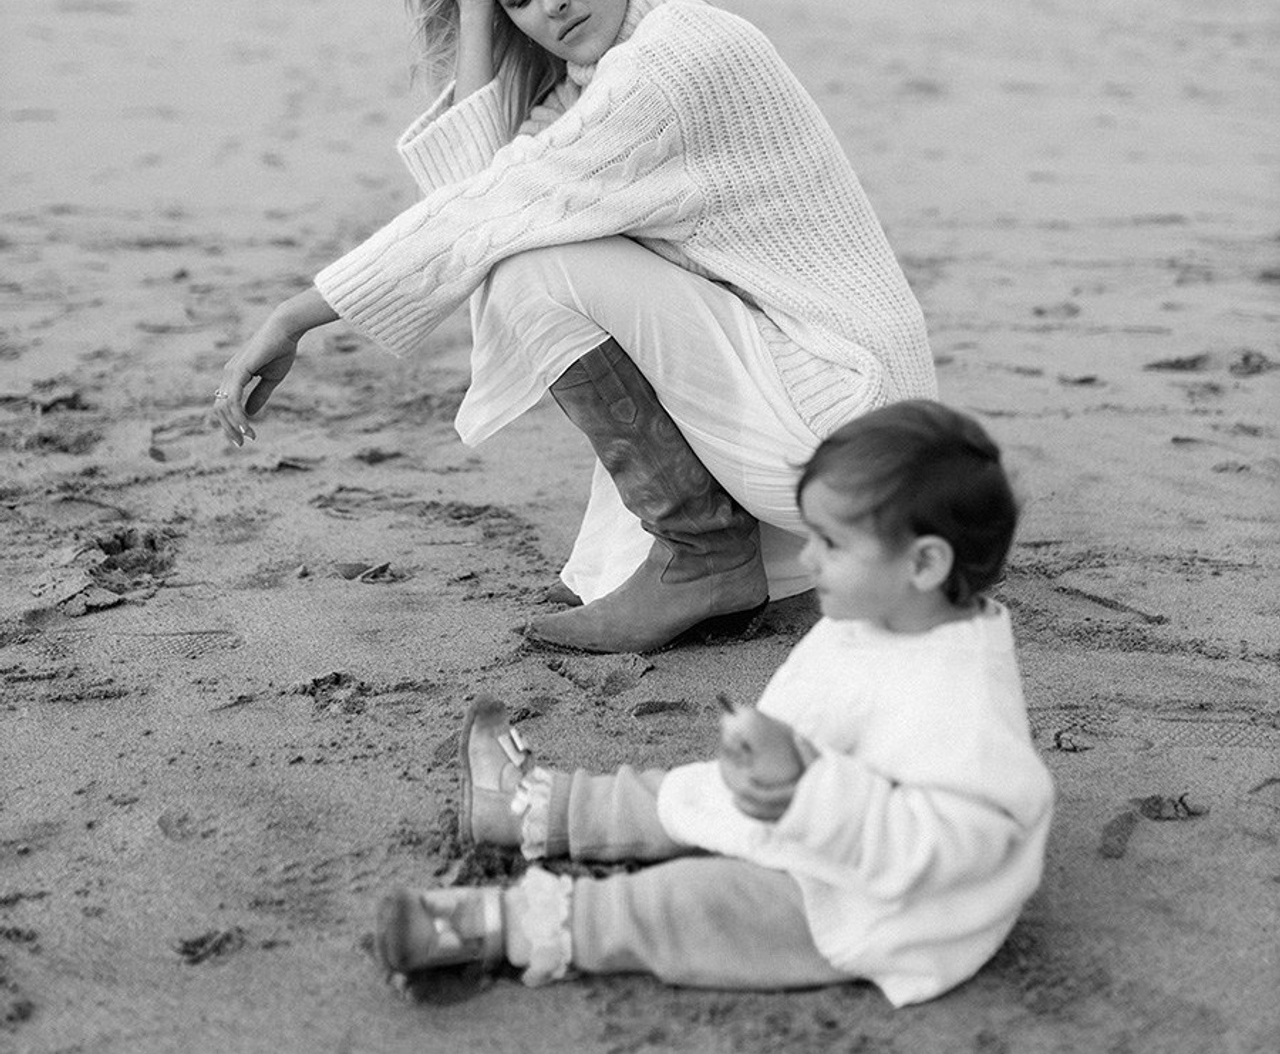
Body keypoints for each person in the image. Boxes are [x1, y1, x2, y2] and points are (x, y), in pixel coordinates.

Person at [212, 0, 937, 653]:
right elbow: (483, 187)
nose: (550, 2)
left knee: (534, 267)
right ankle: (684, 552)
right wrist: (474, 13)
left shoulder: (670, 60)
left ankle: (703, 552)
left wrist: (294, 317)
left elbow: (489, 214)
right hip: (857, 431)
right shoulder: (608, 71)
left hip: (841, 419)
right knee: (531, 240)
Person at [374, 400, 1055, 1004]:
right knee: (679, 794)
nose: (809, 559)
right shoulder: (888, 613)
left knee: (687, 906)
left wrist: (810, 790)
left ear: (925, 564)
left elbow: (950, 844)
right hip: (811, 814)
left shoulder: (962, 704)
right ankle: (528, 808)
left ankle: (504, 926)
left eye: (833, 544)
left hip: (874, 907)